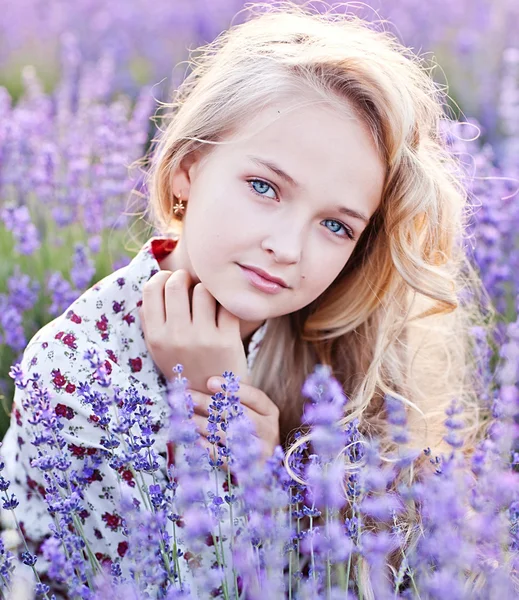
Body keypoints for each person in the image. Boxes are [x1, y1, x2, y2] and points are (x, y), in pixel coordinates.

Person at [0, 1, 491, 596]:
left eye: (336, 225)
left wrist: (259, 461)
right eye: (265, 187)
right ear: (186, 171)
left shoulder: (325, 346)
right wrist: (232, 451)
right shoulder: (77, 370)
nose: (287, 247)